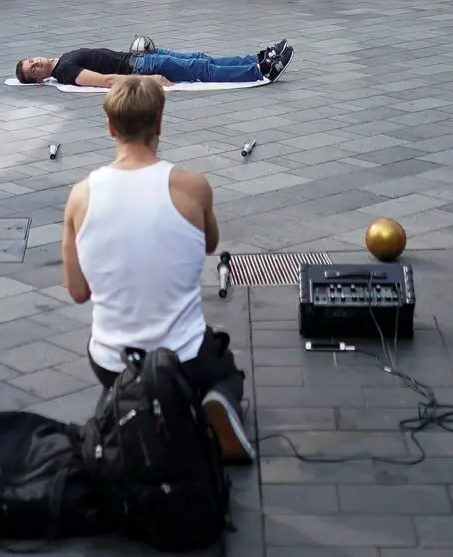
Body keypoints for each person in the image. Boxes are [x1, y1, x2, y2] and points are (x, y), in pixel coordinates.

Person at [60, 75, 253, 463]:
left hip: (112, 359)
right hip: (184, 355)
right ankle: (212, 400)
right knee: (225, 369)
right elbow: (210, 244)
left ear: (110, 127)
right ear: (160, 125)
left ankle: (127, 400)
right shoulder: (192, 187)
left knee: (121, 367)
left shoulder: (80, 197)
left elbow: (78, 292)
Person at [17, 39, 292, 87]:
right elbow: (106, 80)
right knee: (200, 70)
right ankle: (259, 71)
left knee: (199, 58)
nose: (36, 63)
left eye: (32, 60)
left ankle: (256, 58)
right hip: (139, 68)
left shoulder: (60, 60)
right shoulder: (66, 71)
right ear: (39, 80)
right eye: (34, 69)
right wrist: (148, 81)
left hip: (140, 58)